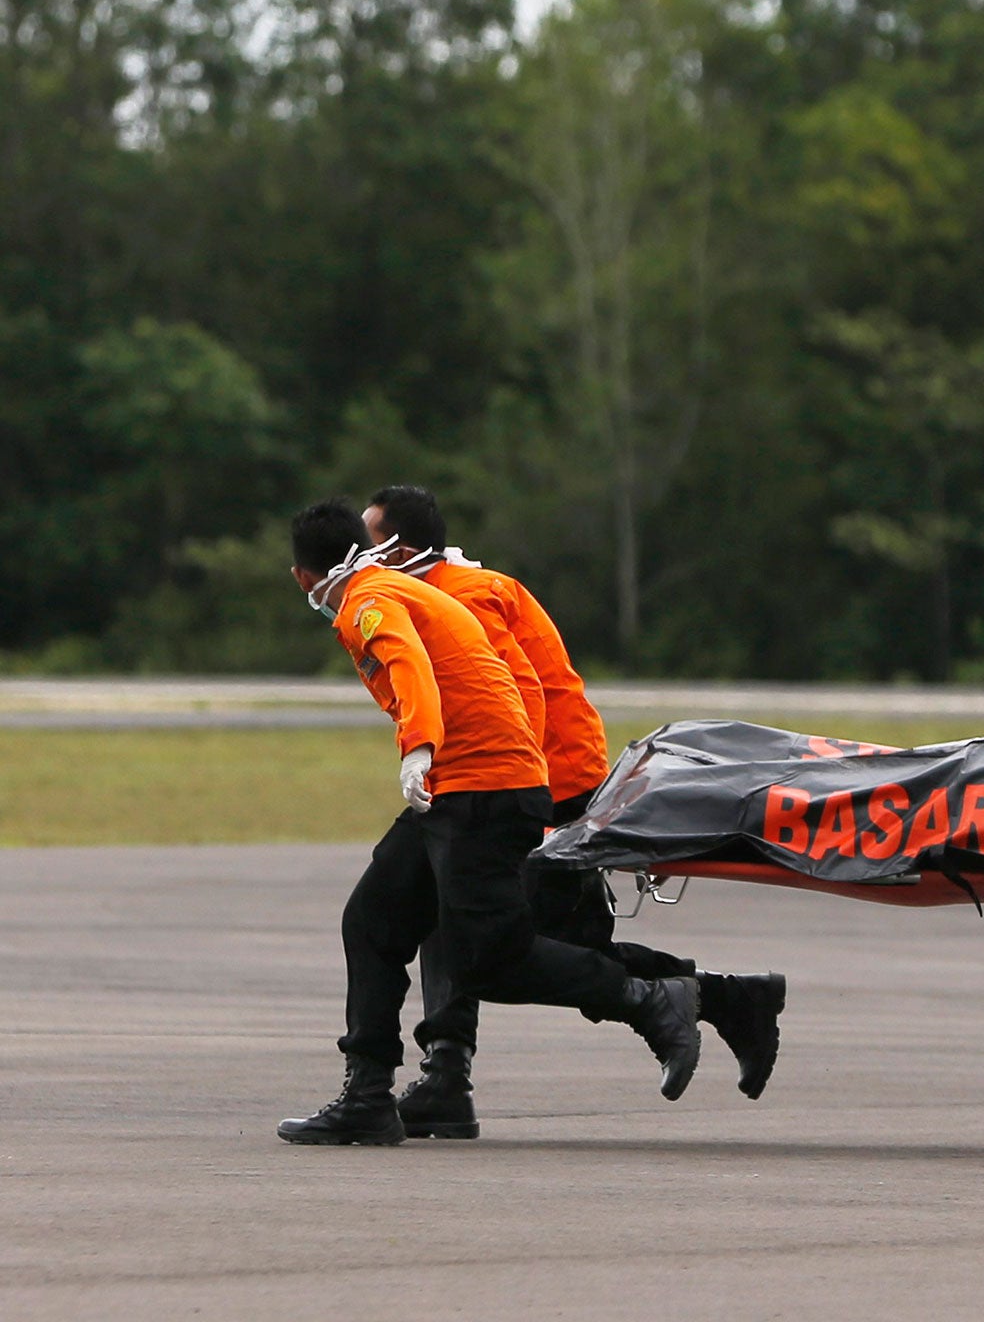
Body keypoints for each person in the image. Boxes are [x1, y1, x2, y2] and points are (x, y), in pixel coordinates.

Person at [361, 485, 787, 1138]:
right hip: (506, 781)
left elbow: (520, 695)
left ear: (403, 552)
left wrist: (516, 799)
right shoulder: (446, 588)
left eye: (367, 548)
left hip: (539, 785)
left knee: (526, 950)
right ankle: (445, 1072)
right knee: (444, 913)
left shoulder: (462, 596)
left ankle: (725, 998)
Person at [278, 499, 702, 1146]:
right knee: (373, 919)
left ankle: (650, 1000)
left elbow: (406, 661)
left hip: (482, 788)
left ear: (301, 577)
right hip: (469, 785)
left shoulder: (369, 600)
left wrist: (418, 745)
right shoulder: (391, 583)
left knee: (494, 960)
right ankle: (367, 1095)